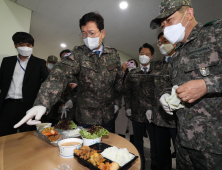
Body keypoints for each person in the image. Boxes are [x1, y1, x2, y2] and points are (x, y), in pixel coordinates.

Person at [14, 12, 123, 133]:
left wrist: (117, 103)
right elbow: (59, 74)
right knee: (88, 150)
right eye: (84, 34)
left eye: (92, 33)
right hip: (87, 116)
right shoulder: (78, 53)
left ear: (102, 33)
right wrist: (42, 103)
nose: (87, 38)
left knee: (107, 147)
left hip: (108, 114)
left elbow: (118, 80)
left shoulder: (113, 54)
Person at [150, 0, 222, 169]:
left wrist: (206, 85)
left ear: (188, 14)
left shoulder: (216, 33)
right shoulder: (176, 56)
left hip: (214, 146)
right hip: (183, 142)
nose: (165, 27)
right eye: (162, 24)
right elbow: (172, 84)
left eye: (169, 20)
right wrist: (166, 96)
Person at [0, 32, 48, 137]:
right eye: (22, 45)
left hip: (28, 106)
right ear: (15, 45)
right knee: (4, 135)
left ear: (32, 46)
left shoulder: (39, 62)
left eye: (28, 45)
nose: (25, 48)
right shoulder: (7, 61)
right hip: (8, 105)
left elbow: (46, 83)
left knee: (27, 136)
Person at [124, 43, 157, 170]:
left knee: (154, 141)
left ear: (152, 56)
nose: (144, 56)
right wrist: (127, 107)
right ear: (138, 55)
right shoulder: (132, 73)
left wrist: (152, 107)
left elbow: (159, 92)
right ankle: (140, 164)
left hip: (153, 114)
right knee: (137, 141)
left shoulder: (156, 72)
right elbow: (127, 92)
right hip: (136, 113)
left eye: (147, 54)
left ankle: (154, 164)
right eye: (142, 54)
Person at [151, 32, 177, 170]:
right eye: (159, 43)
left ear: (173, 42)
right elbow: (151, 89)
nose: (161, 45)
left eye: (164, 41)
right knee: (162, 154)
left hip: (178, 119)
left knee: (182, 155)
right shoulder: (156, 66)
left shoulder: (181, 59)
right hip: (159, 116)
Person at [115, 59, 138, 144]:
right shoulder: (123, 75)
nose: (131, 65)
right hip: (123, 103)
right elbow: (118, 86)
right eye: (129, 63)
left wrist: (135, 72)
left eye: (133, 63)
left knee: (133, 130)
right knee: (121, 128)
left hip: (134, 104)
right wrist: (123, 71)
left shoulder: (139, 74)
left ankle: (134, 148)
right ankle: (121, 147)